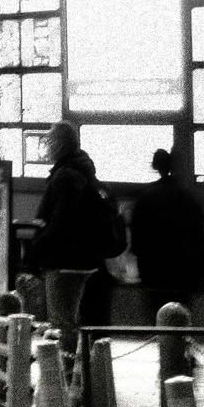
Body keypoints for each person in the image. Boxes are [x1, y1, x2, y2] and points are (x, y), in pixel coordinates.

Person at [31, 121, 123, 347]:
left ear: (61, 144)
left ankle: (68, 375)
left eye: (50, 141)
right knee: (71, 321)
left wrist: (37, 248)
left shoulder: (66, 176)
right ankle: (78, 374)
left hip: (65, 262)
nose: (47, 146)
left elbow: (63, 222)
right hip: (85, 258)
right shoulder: (84, 171)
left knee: (63, 323)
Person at [130, 149, 204, 314]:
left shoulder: (145, 198)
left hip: (153, 273)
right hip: (183, 274)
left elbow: (137, 240)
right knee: (180, 318)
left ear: (155, 166)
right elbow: (200, 234)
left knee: (157, 318)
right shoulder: (187, 197)